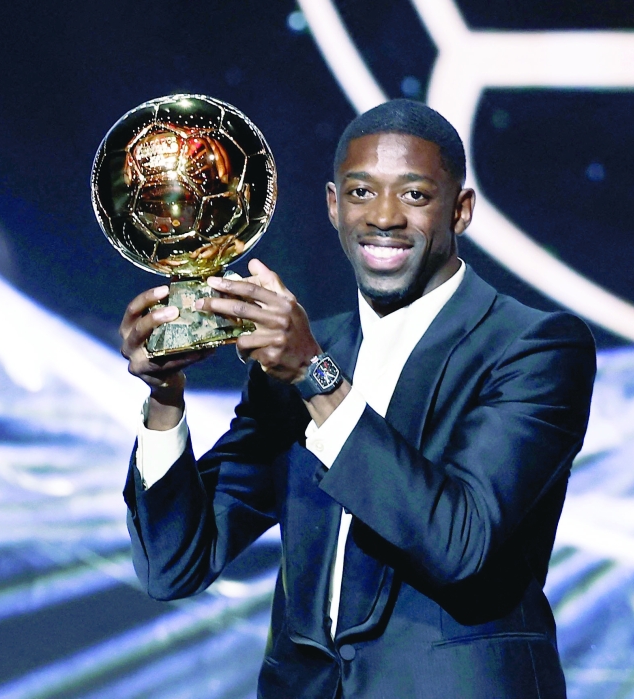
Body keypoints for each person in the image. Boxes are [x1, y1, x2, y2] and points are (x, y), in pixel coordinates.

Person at [120, 99, 596, 698]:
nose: (385, 217)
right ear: (332, 205)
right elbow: (174, 566)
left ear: (462, 210)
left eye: (416, 196)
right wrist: (165, 397)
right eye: (361, 192)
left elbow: (461, 542)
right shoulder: (300, 361)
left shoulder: (533, 347)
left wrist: (316, 377)